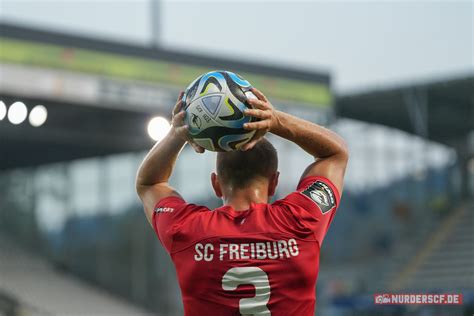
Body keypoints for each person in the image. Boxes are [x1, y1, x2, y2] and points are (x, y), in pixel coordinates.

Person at [136, 88, 349, 315]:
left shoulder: (187, 229)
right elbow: (336, 153)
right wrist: (276, 120)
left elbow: (149, 183)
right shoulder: (301, 220)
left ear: (216, 184)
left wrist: (177, 134)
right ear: (274, 181)